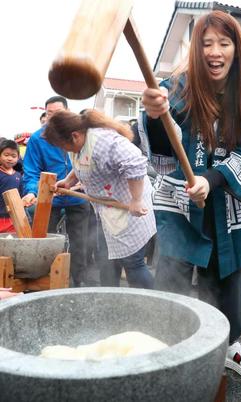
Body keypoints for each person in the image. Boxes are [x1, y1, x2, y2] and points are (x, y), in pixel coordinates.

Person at [141, 10, 241, 382]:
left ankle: (230, 345)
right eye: (207, 43)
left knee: (226, 274)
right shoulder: (176, 87)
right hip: (180, 201)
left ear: (237, 50)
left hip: (226, 202)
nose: (215, 51)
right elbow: (162, 149)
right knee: (172, 272)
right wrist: (154, 115)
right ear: (196, 49)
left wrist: (211, 180)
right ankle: (168, 345)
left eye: (224, 43)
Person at [43, 109, 156, 289]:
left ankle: (154, 306)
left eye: (63, 146)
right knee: (107, 260)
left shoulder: (103, 141)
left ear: (75, 135)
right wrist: (68, 181)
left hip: (129, 208)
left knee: (133, 263)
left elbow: (136, 163)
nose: (64, 150)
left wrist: (135, 199)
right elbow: (82, 162)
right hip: (107, 210)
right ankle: (110, 302)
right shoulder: (79, 143)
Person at [22, 96, 90, 287]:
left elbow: (87, 161)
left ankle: (79, 281)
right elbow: (31, 171)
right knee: (47, 241)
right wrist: (32, 192)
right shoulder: (38, 138)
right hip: (49, 199)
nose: (53, 118)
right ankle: (46, 281)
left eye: (58, 113)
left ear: (68, 112)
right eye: (49, 114)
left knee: (80, 243)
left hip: (78, 197)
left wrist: (83, 182)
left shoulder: (79, 131)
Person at [0, 139, 22, 233]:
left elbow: (21, 194)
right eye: (6, 155)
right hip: (0, 216)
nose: (10, 158)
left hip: (13, 218)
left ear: (18, 158)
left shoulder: (18, 175)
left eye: (13, 156)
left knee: (11, 240)